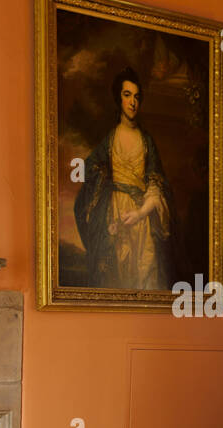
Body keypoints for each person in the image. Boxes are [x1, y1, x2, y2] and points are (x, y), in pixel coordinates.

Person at [73, 66, 174, 291]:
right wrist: (103, 182)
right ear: (118, 98)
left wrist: (140, 213)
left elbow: (156, 186)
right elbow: (88, 169)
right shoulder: (109, 138)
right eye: (127, 95)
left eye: (137, 96)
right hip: (115, 212)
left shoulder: (147, 141)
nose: (133, 102)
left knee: (147, 271)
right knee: (116, 274)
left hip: (142, 214)